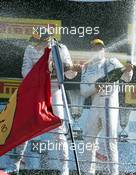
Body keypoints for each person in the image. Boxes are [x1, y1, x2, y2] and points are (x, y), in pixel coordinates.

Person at [4, 33, 82, 175]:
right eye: (35, 42)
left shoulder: (61, 48)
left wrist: (72, 69)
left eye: (39, 42)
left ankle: (64, 169)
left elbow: (69, 75)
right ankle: (15, 165)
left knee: (59, 129)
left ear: (47, 40)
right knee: (25, 127)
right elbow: (25, 72)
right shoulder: (30, 49)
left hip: (54, 91)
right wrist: (45, 69)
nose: (36, 45)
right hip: (36, 91)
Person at [80, 39, 133, 175]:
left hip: (109, 105)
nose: (97, 50)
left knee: (110, 140)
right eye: (94, 48)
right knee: (88, 140)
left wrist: (129, 69)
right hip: (94, 106)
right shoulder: (86, 67)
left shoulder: (112, 62)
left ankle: (114, 172)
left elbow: (127, 78)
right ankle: (88, 172)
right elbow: (84, 92)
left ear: (104, 49)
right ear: (91, 50)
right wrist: (96, 87)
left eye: (100, 48)